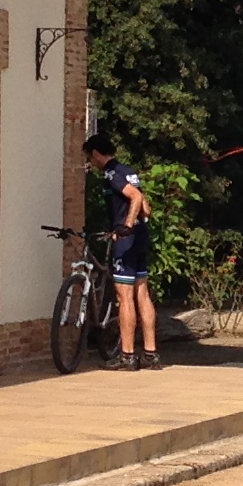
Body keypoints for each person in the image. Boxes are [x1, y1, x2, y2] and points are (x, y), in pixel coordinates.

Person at [83, 133, 161, 369]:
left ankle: (127, 355)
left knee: (123, 296)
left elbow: (135, 197)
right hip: (141, 237)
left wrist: (125, 226)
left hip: (127, 240)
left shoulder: (112, 173)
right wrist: (135, 221)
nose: (91, 163)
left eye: (90, 158)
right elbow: (145, 208)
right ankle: (150, 353)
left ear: (96, 153)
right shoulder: (128, 171)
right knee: (142, 293)